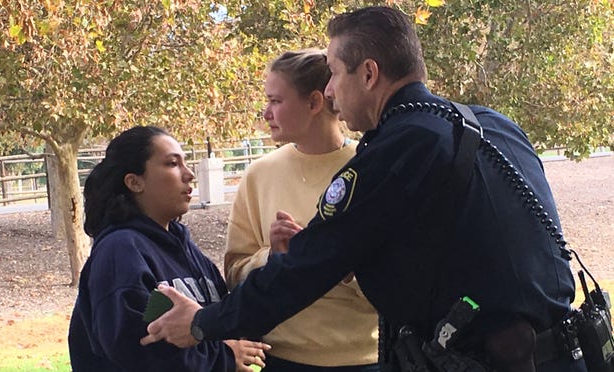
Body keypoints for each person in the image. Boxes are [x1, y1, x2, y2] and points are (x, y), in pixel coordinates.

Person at [140, 7, 587, 372]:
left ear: (369, 74)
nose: (331, 92)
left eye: (334, 73)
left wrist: (203, 323)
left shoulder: (396, 150)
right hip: (565, 353)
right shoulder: (493, 125)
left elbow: (304, 271)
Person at [67, 126, 270, 371]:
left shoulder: (186, 249)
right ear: (134, 182)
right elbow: (136, 347)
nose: (189, 174)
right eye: (173, 164)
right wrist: (223, 357)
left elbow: (224, 316)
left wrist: (276, 260)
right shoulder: (119, 251)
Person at [224, 49, 379, 371]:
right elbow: (233, 273)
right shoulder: (258, 175)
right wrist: (275, 257)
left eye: (276, 101)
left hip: (365, 359)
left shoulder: (371, 167)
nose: (266, 113)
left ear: (313, 103)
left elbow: (407, 280)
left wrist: (341, 266)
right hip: (277, 358)